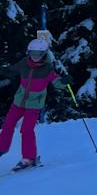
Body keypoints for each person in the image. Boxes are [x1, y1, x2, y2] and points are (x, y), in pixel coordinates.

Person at [0, 39, 65, 170]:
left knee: (26, 129)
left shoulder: (47, 68)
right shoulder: (24, 63)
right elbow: (12, 70)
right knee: (7, 125)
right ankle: (2, 148)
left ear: (44, 54)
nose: (35, 56)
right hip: (19, 101)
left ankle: (29, 158)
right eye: (32, 53)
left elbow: (57, 82)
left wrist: (64, 82)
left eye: (38, 54)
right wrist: (5, 70)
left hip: (34, 105)